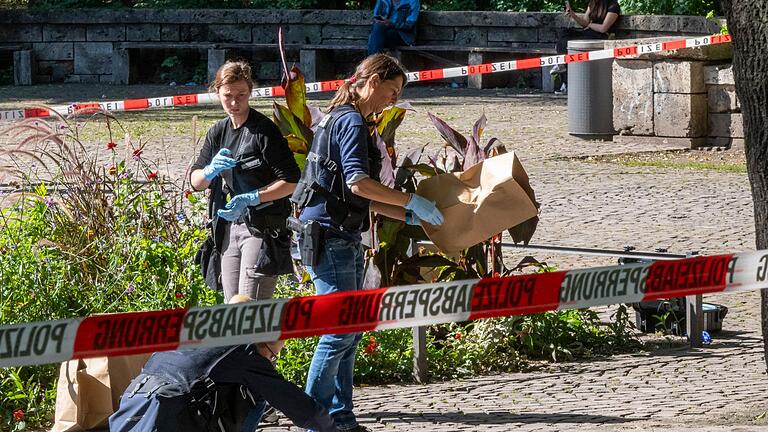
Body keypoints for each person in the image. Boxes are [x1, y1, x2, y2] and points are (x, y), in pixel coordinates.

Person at [289, 53, 444, 432]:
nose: (393, 100)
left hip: (335, 234)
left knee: (350, 329)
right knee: (340, 330)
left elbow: (353, 194)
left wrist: (404, 215)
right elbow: (359, 182)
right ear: (372, 81)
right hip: (331, 238)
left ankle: (341, 417)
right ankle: (315, 420)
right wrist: (410, 200)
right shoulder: (352, 121)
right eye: (392, 90)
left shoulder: (338, 118)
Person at [109, 295, 337, 432]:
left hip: (134, 406)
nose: (270, 362)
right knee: (257, 392)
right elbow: (294, 402)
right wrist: (329, 427)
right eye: (271, 355)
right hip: (172, 415)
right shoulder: (244, 350)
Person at [190, 60, 300, 302]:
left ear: (250, 92)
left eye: (241, 95)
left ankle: (262, 342)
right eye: (228, 95)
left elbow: (292, 181)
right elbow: (196, 181)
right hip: (229, 226)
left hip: (261, 227)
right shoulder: (218, 131)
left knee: (250, 309)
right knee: (233, 308)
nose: (234, 102)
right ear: (217, 93)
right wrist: (209, 171)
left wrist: (253, 197)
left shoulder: (264, 131)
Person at [551, 0, 621, 94]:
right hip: (588, 32)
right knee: (565, 34)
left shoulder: (613, 6)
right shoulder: (592, 3)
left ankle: (564, 76)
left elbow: (603, 28)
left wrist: (590, 25)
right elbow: (584, 23)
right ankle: (562, 66)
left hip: (599, 36)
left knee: (570, 44)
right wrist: (573, 15)